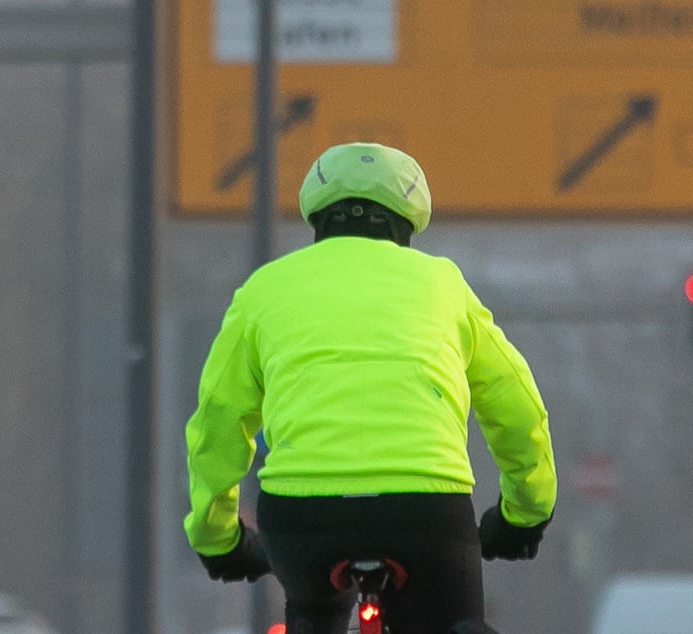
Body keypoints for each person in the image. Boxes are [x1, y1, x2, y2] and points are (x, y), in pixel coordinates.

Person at [183, 142, 557, 633]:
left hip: (302, 514)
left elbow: (218, 420)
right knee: (454, 623)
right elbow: (515, 405)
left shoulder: (264, 289)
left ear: (317, 217)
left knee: (311, 612)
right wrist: (524, 513)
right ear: (407, 221)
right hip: (425, 512)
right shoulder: (443, 285)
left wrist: (218, 537)